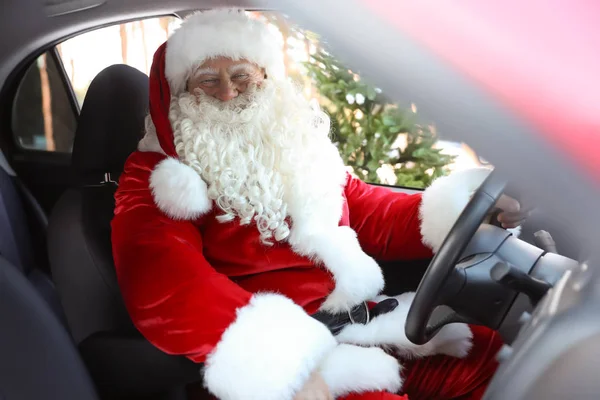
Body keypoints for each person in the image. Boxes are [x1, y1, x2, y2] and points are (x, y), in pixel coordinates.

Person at [111, 8, 527, 400]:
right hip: (288, 360)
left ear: (265, 77)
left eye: (241, 74)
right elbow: (165, 284)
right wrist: (288, 366)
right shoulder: (157, 177)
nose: (228, 91)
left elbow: (368, 209)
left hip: (360, 328)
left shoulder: (294, 148)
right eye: (207, 80)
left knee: (500, 359)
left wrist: (465, 211)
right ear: (180, 93)